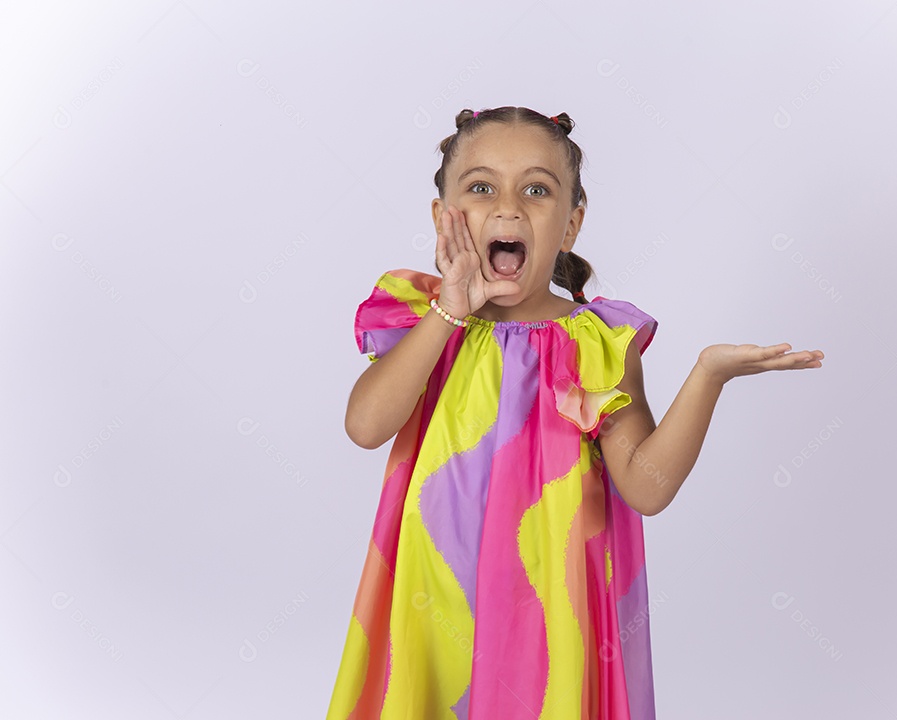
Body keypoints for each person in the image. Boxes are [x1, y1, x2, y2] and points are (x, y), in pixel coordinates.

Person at [326, 106, 824, 719]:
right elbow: (366, 425)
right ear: (442, 217)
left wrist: (708, 376)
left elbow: (646, 486)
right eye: (481, 188)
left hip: (549, 613)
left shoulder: (594, 342)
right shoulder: (425, 320)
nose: (508, 209)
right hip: (433, 596)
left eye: (537, 190)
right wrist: (449, 310)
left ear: (570, 226)